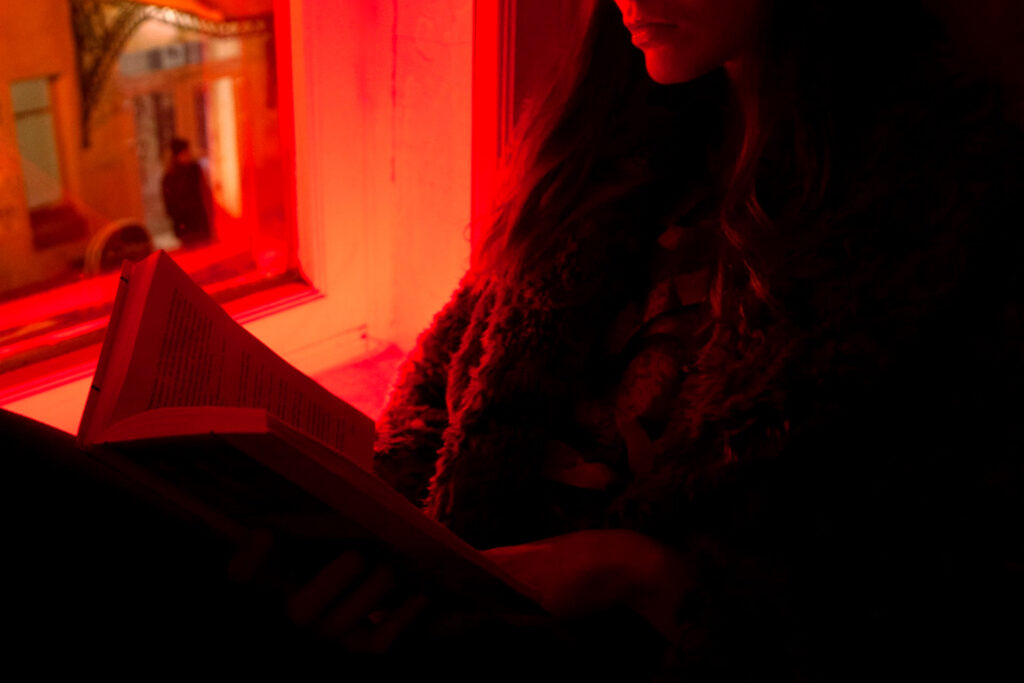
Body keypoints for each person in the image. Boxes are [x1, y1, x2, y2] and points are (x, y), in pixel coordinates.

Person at [296, 0, 1023, 679]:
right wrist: (380, 553)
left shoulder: (941, 211)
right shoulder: (604, 147)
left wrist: (641, 573)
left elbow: (921, 578)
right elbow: (440, 391)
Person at [161, 136, 214, 247]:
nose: (188, 155)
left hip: (198, 218)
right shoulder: (171, 176)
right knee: (190, 246)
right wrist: (176, 216)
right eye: (185, 153)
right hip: (185, 221)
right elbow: (169, 199)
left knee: (204, 246)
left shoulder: (194, 170)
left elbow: (203, 191)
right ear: (177, 156)